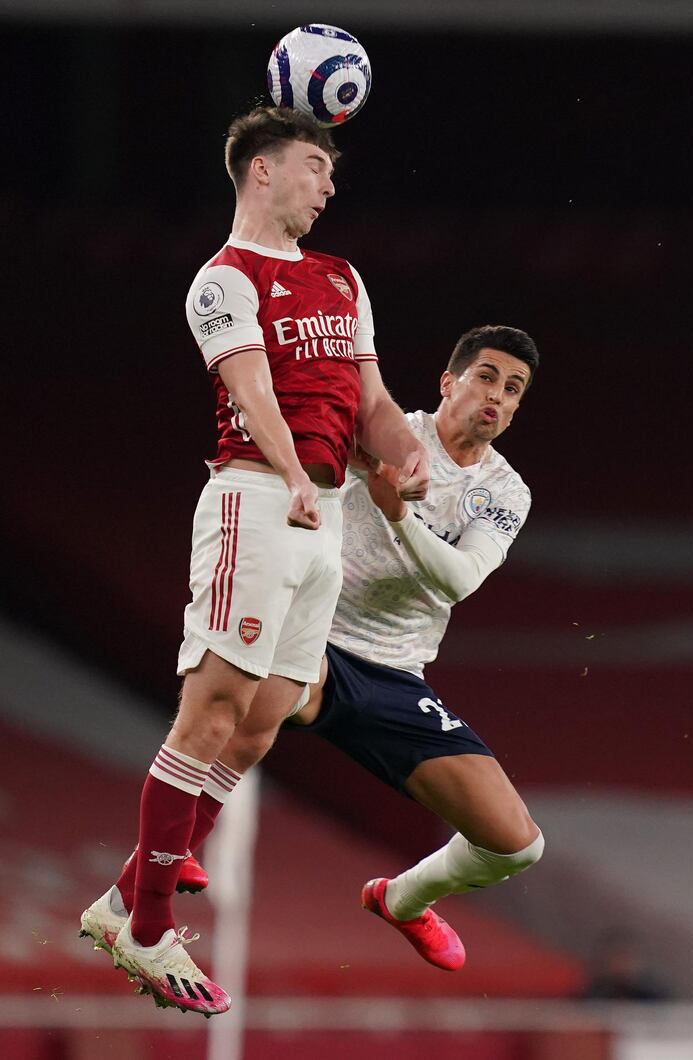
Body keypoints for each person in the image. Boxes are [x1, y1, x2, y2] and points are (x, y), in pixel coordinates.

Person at [79, 104, 429, 1017]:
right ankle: (149, 931)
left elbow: (374, 402)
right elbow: (249, 386)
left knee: (269, 718)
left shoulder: (342, 277)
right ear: (262, 171)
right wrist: (291, 473)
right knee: (211, 710)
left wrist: (405, 454)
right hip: (255, 499)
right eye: (317, 166)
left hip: (324, 512)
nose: (330, 186)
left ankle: (124, 901)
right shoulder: (221, 280)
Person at [168, 324, 545, 971]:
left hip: (396, 671)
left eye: (513, 389)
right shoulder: (390, 433)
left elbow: (457, 581)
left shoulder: (507, 492)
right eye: (487, 377)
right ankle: (172, 844)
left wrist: (397, 514)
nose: (499, 397)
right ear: (449, 382)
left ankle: (402, 899)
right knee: (265, 692)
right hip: (314, 627)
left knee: (516, 845)